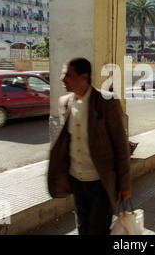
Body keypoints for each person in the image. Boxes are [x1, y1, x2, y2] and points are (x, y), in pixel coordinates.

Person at [48, 57, 131, 235]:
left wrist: (124, 184)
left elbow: (120, 145)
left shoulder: (106, 101)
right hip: (77, 182)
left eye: (68, 75)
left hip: (101, 182)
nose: (62, 79)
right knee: (83, 229)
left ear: (84, 77)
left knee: (97, 230)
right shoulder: (64, 103)